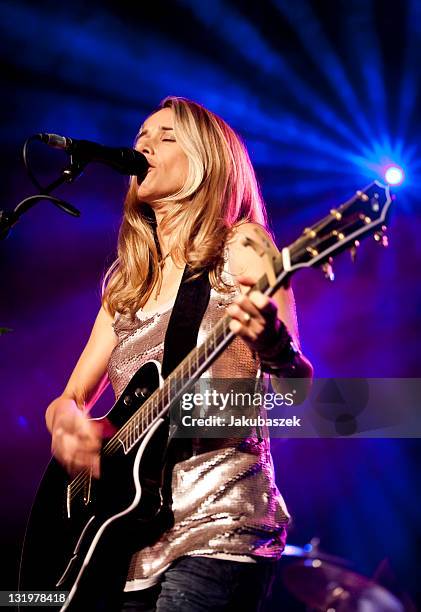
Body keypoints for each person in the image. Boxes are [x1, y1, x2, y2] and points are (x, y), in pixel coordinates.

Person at [45, 96, 313, 611]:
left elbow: (300, 401)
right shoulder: (126, 282)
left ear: (207, 161)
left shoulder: (244, 246)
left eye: (166, 136)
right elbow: (72, 396)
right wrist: (66, 423)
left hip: (221, 528)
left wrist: (276, 349)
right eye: (142, 134)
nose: (143, 143)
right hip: (126, 541)